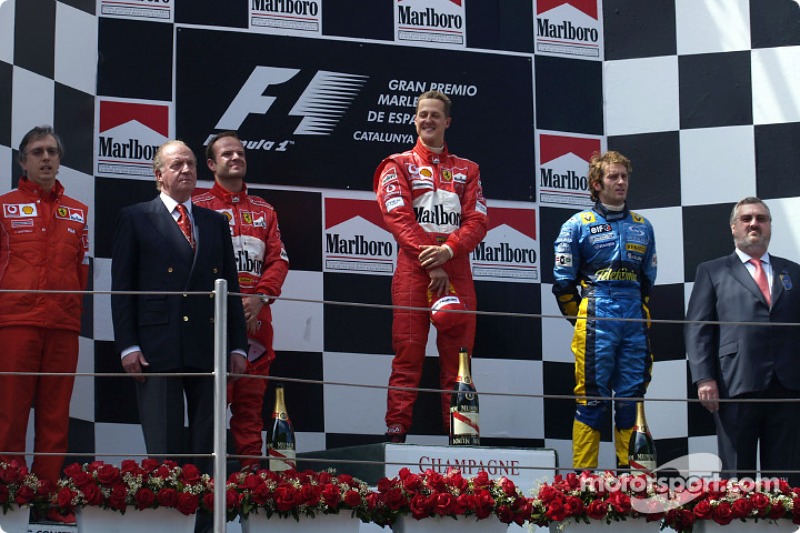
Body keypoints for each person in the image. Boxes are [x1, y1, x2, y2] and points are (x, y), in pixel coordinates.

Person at [111, 140, 248, 476]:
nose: (186, 170)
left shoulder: (214, 222)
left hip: (206, 344)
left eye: (190, 164)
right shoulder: (136, 217)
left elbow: (229, 286)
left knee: (207, 444)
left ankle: (203, 525)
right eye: (177, 165)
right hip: (158, 346)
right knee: (164, 445)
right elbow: (123, 288)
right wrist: (128, 345)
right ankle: (171, 520)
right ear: (159, 175)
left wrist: (237, 345)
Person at [373, 90, 488, 443]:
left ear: (447, 122)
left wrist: (449, 251)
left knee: (459, 361)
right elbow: (397, 215)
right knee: (408, 354)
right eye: (422, 114)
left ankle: (461, 440)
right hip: (414, 269)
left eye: (435, 115)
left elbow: (478, 220)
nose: (428, 120)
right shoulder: (397, 164)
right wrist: (432, 256)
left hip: (456, 270)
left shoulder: (468, 170)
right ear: (414, 119)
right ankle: (395, 435)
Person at [552, 150, 657, 471]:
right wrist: (583, 320)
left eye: (624, 176)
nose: (621, 182)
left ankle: (634, 481)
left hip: (634, 320)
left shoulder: (643, 226)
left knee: (631, 400)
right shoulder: (577, 226)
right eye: (614, 176)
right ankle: (584, 483)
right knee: (592, 400)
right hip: (595, 315)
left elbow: (647, 283)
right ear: (596, 184)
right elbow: (563, 284)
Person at [686, 197, 800, 485]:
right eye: (747, 218)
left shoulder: (793, 271)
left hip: (787, 386)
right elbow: (697, 328)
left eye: (761, 219)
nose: (754, 224)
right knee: (737, 478)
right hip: (734, 383)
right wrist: (704, 378)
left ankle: (784, 531)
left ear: (770, 227)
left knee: (786, 479)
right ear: (733, 228)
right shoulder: (712, 271)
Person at [194, 131, 289, 470]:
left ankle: (250, 486)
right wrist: (230, 306)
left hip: (256, 325)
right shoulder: (198, 206)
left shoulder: (265, 210)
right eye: (227, 154)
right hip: (213, 326)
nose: (236, 158)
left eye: (240, 153)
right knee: (211, 409)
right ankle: (207, 487)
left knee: (250, 412)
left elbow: (279, 260)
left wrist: (260, 297)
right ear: (211, 164)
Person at [0, 126, 89, 485]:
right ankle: (9, 498)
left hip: (63, 325)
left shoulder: (78, 212)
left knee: (56, 416)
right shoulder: (3, 206)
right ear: (23, 161)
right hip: (15, 321)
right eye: (37, 152)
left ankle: (48, 497)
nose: (46, 158)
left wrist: (69, 308)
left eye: (52, 151)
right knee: (10, 413)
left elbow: (82, 270)